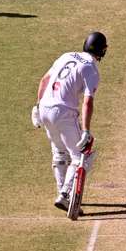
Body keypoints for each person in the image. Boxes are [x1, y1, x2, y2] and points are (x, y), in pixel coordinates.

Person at [31, 31, 108, 213]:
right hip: (63, 112)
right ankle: (65, 195)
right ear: (102, 51)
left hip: (45, 108)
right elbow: (88, 102)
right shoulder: (91, 68)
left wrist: (37, 107)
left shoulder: (66, 56)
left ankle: (62, 193)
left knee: (59, 152)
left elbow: (44, 80)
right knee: (82, 156)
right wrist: (86, 130)